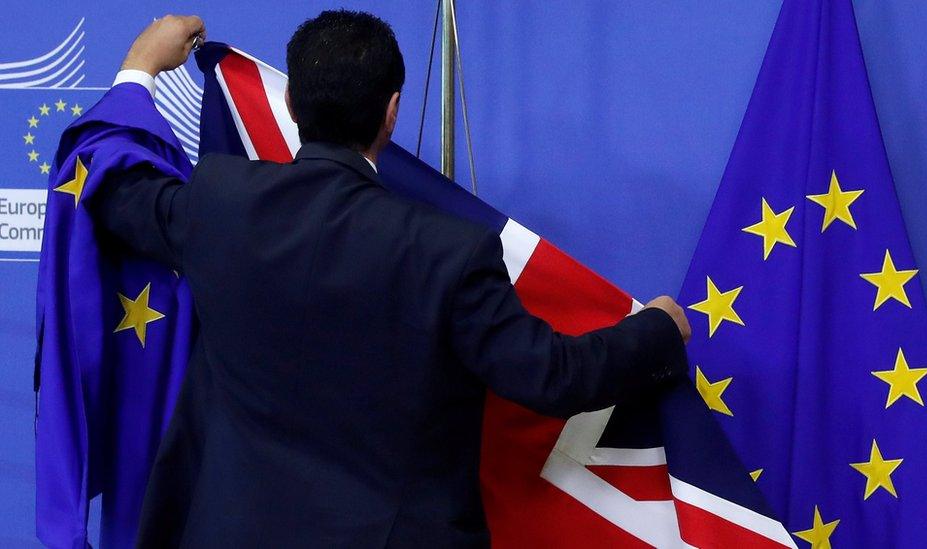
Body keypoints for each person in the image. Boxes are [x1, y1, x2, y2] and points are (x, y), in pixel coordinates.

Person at [92, 11, 691, 548]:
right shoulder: (449, 252)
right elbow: (553, 377)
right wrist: (658, 329)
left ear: (294, 105)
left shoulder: (217, 203)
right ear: (392, 111)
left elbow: (112, 190)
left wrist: (140, 67)